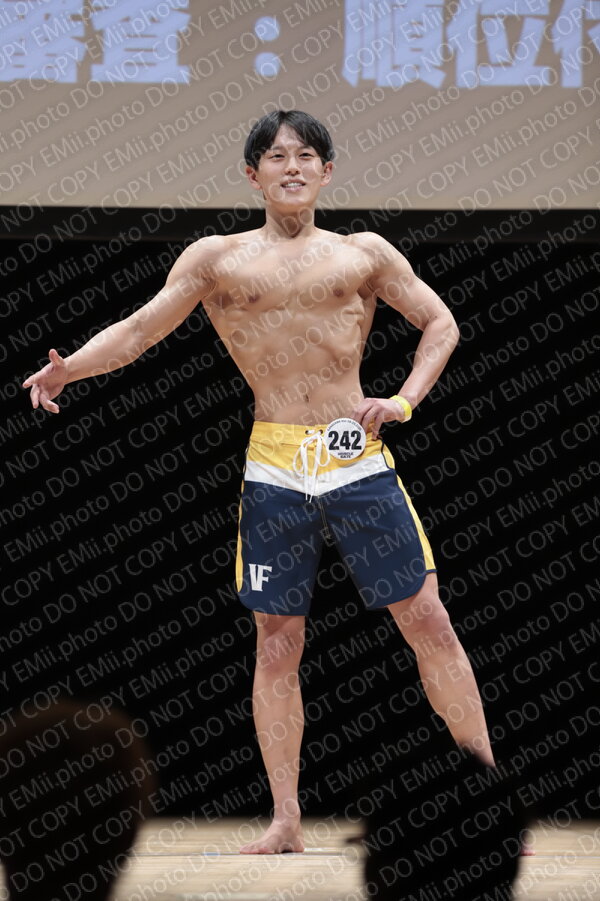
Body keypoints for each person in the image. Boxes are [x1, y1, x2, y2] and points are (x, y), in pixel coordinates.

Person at [23, 109, 497, 855]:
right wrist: (68, 370)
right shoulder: (217, 259)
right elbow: (139, 330)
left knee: (429, 620)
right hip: (275, 461)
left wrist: (403, 401)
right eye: (276, 157)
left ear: (327, 171)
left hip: (352, 453)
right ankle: (285, 819)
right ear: (253, 175)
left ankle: (488, 797)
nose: (292, 167)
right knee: (277, 642)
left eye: (306, 155)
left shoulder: (363, 252)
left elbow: (441, 323)